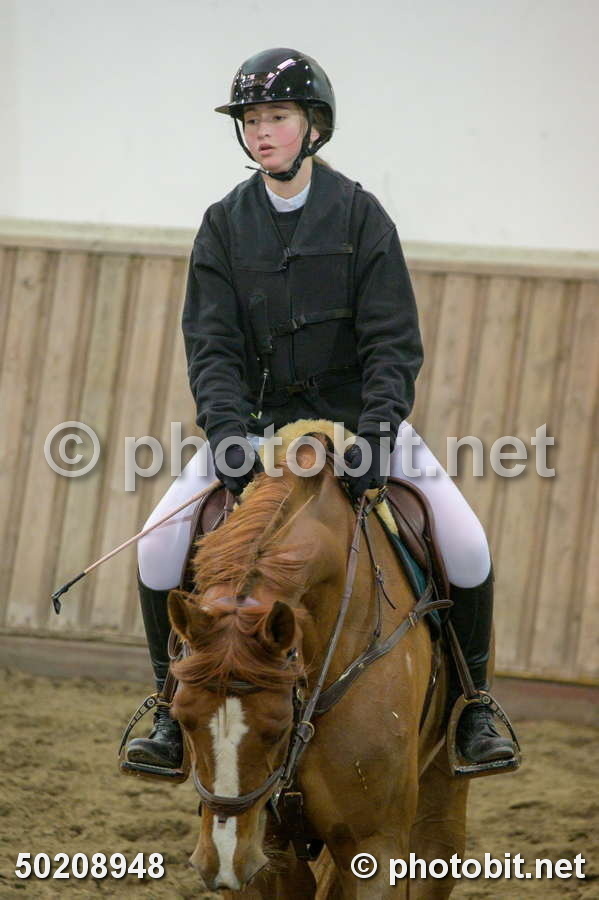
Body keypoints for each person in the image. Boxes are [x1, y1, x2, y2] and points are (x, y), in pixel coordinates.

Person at [126, 48, 515, 772]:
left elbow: (392, 342)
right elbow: (210, 346)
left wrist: (376, 436)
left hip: (359, 427)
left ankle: (474, 709)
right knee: (155, 546)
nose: (260, 132)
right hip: (256, 431)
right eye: (250, 120)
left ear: (314, 127)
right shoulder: (223, 224)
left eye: (275, 117)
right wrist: (228, 435)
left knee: (467, 545)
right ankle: (166, 710)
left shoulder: (362, 217)